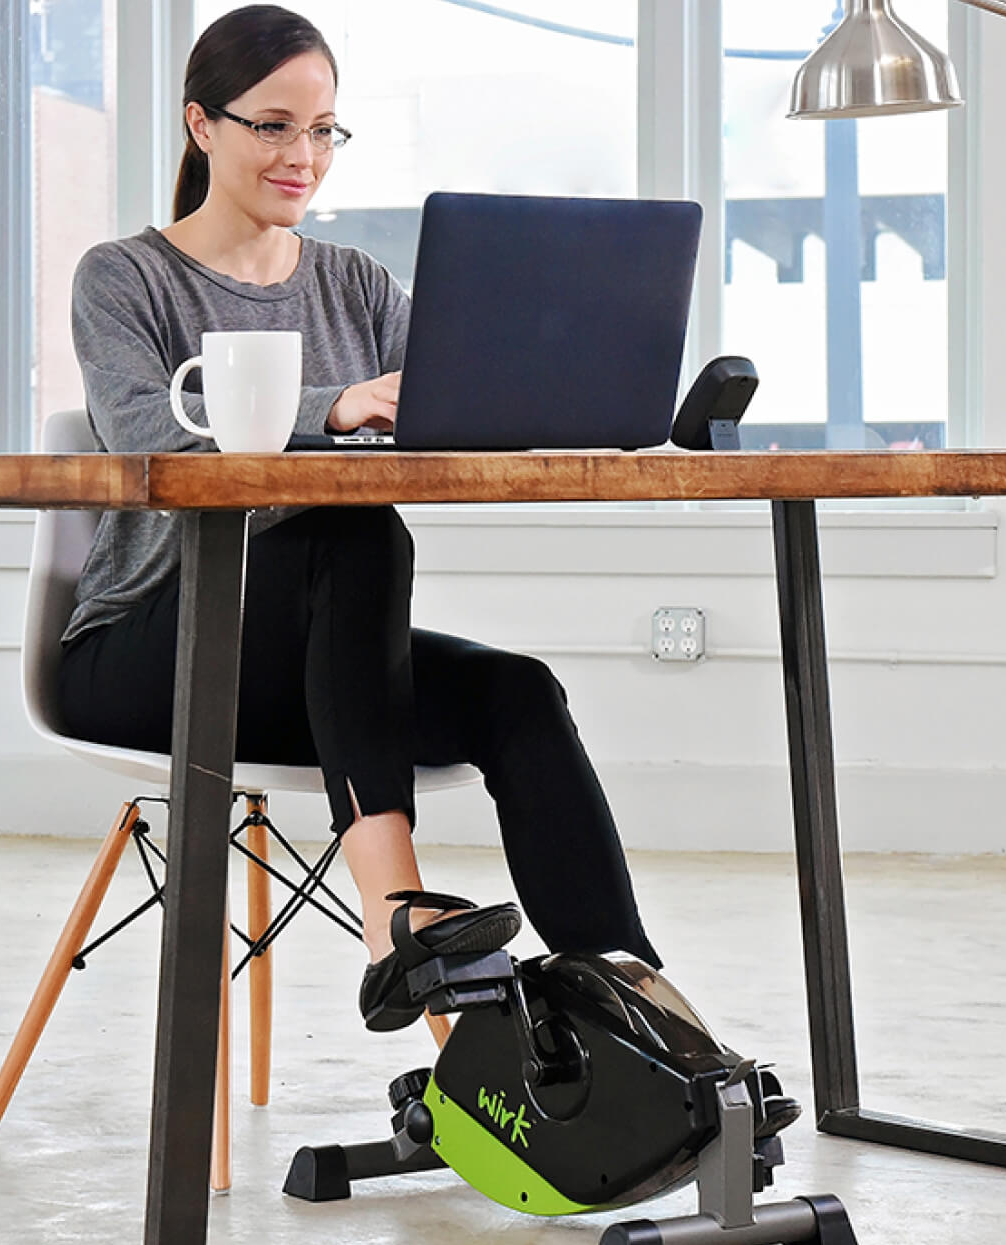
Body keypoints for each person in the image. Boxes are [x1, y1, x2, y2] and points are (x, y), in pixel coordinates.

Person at [56, 4, 661, 1031]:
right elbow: (144, 438)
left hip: (315, 666)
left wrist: (589, 406)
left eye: (324, 129)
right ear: (202, 126)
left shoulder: (355, 284)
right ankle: (394, 915)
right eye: (274, 126)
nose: (304, 155)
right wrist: (328, 408)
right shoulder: (126, 276)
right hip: (151, 646)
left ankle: (626, 1007)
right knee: (352, 525)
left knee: (515, 692)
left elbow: (453, 409)